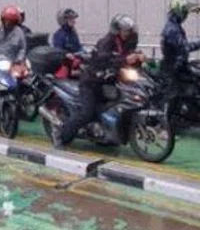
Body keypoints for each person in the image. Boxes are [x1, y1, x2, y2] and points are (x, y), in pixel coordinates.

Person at [54, 14, 144, 148]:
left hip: (110, 81)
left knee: (114, 105)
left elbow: (129, 58)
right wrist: (124, 60)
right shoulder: (106, 42)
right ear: (117, 30)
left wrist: (139, 58)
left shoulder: (130, 41)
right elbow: (103, 59)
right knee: (87, 112)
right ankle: (61, 136)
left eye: (129, 31)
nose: (128, 33)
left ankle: (105, 134)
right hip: (92, 81)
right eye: (125, 31)